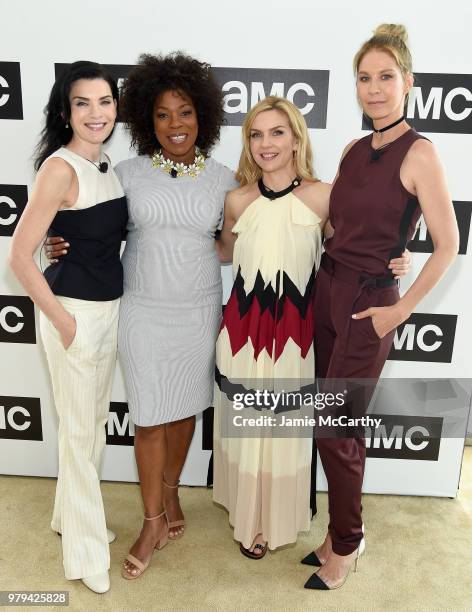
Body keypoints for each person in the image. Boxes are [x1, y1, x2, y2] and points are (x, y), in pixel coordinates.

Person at [46, 52, 237, 578]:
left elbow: (230, 246)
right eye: (162, 115)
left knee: (185, 412)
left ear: (204, 116)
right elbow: (86, 221)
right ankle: (152, 518)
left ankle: (171, 494)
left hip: (198, 311)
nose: (175, 125)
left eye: (185, 113)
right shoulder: (125, 172)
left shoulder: (225, 179)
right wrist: (53, 241)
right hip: (142, 311)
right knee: (151, 417)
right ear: (146, 121)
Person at [213, 96, 411, 560]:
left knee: (284, 430)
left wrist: (400, 258)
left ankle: (279, 518)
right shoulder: (237, 199)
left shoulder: (324, 196)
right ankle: (249, 520)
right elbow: (223, 252)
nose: (267, 144)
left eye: (278, 132)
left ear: (297, 138)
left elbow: (353, 249)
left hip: (297, 333)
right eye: (256, 134)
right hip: (242, 333)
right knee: (245, 426)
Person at [302, 24, 459, 590]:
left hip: (370, 305)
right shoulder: (351, 149)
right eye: (364, 78)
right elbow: (337, 224)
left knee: (333, 427)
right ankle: (336, 533)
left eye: (386, 77)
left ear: (408, 83)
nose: (374, 88)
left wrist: (400, 310)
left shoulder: (420, 152)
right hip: (327, 291)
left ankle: (346, 544)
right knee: (338, 426)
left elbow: (449, 245)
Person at [9, 61, 127, 594]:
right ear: (66, 111)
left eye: (104, 102)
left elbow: (94, 238)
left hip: (108, 310)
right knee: (79, 434)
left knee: (91, 422)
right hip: (73, 316)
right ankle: (84, 554)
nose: (96, 113)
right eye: (84, 103)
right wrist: (62, 321)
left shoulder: (108, 165)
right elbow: (19, 257)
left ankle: (70, 517)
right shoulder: (59, 169)